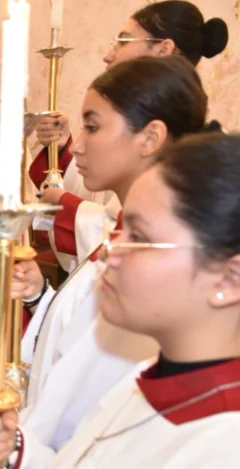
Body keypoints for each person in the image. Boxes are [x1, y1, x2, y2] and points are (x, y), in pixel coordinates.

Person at [0, 55, 214, 469]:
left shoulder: (219, 462)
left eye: (93, 126)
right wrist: (42, 299)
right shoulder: (151, 384)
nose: (111, 254)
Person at [29, 1, 228, 271]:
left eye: (123, 41)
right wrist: (64, 151)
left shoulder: (189, 157)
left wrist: (66, 206)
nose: (108, 55)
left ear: (163, 49)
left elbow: (131, 234)